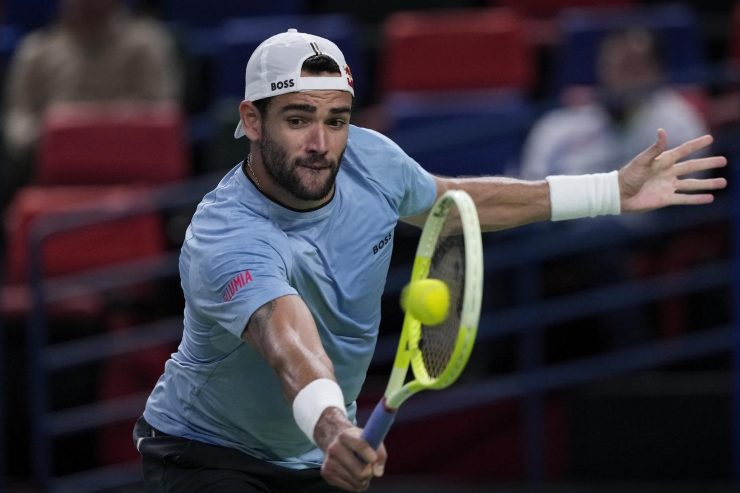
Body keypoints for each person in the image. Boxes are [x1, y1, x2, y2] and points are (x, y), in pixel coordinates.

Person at [133, 29, 726, 492]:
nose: (321, 143)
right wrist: (337, 427)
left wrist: (609, 192)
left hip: (311, 453)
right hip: (206, 451)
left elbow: (458, 201)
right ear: (250, 121)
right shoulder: (225, 234)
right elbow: (290, 344)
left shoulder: (371, 161)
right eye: (297, 119)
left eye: (335, 120)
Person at [0, 0, 180, 210]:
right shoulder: (36, 52)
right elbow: (17, 125)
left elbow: (162, 113)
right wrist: (53, 135)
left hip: (135, 186)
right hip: (54, 186)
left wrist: (93, 133)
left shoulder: (147, 44)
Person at [519, 28, 709, 180]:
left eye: (633, 67)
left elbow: (692, 176)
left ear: (657, 71)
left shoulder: (679, 122)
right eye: (613, 65)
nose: (622, 77)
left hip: (649, 223)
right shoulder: (560, 124)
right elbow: (532, 181)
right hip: (570, 221)